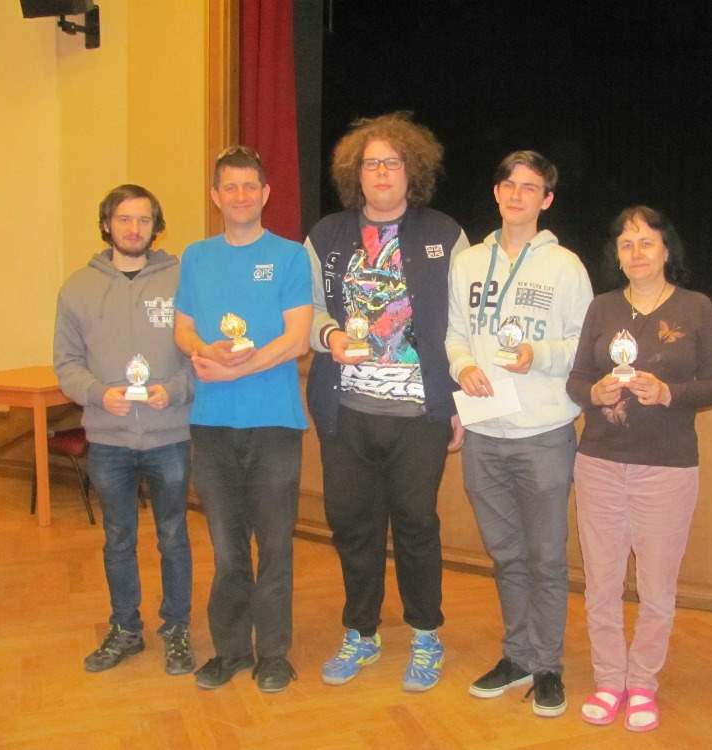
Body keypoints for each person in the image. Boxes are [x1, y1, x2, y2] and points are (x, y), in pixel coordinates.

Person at [305, 112, 467, 692]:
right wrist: (328, 335)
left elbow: (461, 324)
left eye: (392, 162)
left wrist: (456, 403)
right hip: (347, 412)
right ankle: (361, 632)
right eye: (371, 163)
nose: (381, 172)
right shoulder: (326, 235)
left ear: (411, 170)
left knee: (417, 524)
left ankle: (425, 634)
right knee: (352, 524)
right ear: (355, 172)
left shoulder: (445, 233)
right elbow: (307, 311)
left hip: (419, 415)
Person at [566, 205, 712, 731]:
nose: (636, 253)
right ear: (617, 255)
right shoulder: (602, 308)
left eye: (646, 242)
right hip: (600, 463)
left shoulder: (696, 307)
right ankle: (609, 681)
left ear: (666, 249)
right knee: (602, 585)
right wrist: (594, 392)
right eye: (626, 244)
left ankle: (642, 685)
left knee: (657, 590)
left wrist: (667, 392)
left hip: (668, 468)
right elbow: (576, 381)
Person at [445, 150, 592, 716]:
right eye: (508, 184)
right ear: (496, 192)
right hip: (484, 431)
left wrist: (539, 354)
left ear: (546, 199)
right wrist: (463, 366)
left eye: (530, 187)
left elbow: (583, 344)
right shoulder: (468, 263)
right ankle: (517, 656)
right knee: (506, 555)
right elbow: (455, 333)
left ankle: (548, 665)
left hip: (544, 432)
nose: (516, 194)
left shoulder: (566, 267)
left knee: (546, 556)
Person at [174, 146, 312, 693]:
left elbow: (297, 339)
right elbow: (182, 329)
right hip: (211, 425)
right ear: (215, 196)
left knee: (274, 546)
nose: (239, 196)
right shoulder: (196, 256)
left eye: (249, 186)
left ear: (265, 194)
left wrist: (237, 368)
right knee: (228, 548)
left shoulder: (289, 256)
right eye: (229, 187)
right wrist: (201, 347)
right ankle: (231, 650)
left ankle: (274, 655)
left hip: (274, 423)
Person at [54, 184, 194, 675]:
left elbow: (200, 356)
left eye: (143, 220)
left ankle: (177, 629)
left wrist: (174, 391)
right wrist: (97, 393)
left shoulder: (183, 281)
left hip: (170, 435)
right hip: (108, 439)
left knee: (173, 536)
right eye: (124, 219)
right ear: (106, 224)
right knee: (117, 539)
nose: (134, 229)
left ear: (156, 227)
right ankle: (125, 629)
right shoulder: (77, 288)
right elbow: (66, 364)